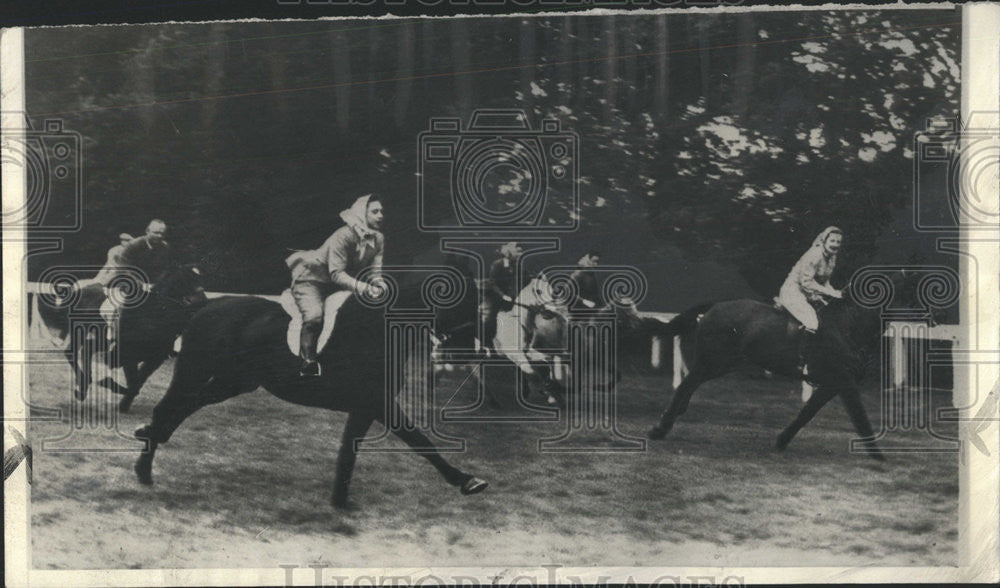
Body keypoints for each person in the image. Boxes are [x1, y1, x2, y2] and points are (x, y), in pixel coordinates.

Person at [286, 194, 385, 377]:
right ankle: (308, 362)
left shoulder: (378, 239)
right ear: (362, 214)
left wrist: (380, 285)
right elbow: (336, 274)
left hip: (338, 284)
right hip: (311, 280)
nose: (381, 215)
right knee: (314, 317)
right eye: (375, 212)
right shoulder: (343, 235)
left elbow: (375, 271)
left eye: (381, 211)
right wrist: (365, 288)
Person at [777, 226, 844, 374]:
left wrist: (833, 291)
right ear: (824, 240)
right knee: (812, 322)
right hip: (793, 291)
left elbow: (824, 281)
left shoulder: (832, 257)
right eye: (832, 240)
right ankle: (800, 361)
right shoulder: (815, 255)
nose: (835, 244)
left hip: (808, 292)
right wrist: (829, 293)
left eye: (838, 242)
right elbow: (806, 282)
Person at [479, 242, 521, 355]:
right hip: (493, 295)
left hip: (510, 297)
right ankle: (486, 344)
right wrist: (503, 296)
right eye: (517, 252)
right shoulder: (497, 264)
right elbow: (492, 283)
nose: (520, 254)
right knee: (490, 317)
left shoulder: (515, 265)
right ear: (508, 253)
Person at [119, 219, 172, 288]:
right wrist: (140, 284)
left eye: (162, 233)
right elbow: (123, 268)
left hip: (153, 285)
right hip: (131, 283)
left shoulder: (165, 247)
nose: (159, 236)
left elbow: (165, 268)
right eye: (156, 233)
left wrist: (157, 284)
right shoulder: (133, 245)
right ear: (147, 231)